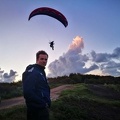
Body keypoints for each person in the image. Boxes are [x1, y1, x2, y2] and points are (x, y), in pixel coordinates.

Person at [22, 50, 51, 120]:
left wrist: (48, 102)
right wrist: (42, 103)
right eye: (42, 59)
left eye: (46, 59)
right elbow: (27, 92)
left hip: (42, 108)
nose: (44, 61)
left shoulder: (40, 71)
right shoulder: (33, 71)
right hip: (36, 110)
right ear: (37, 59)